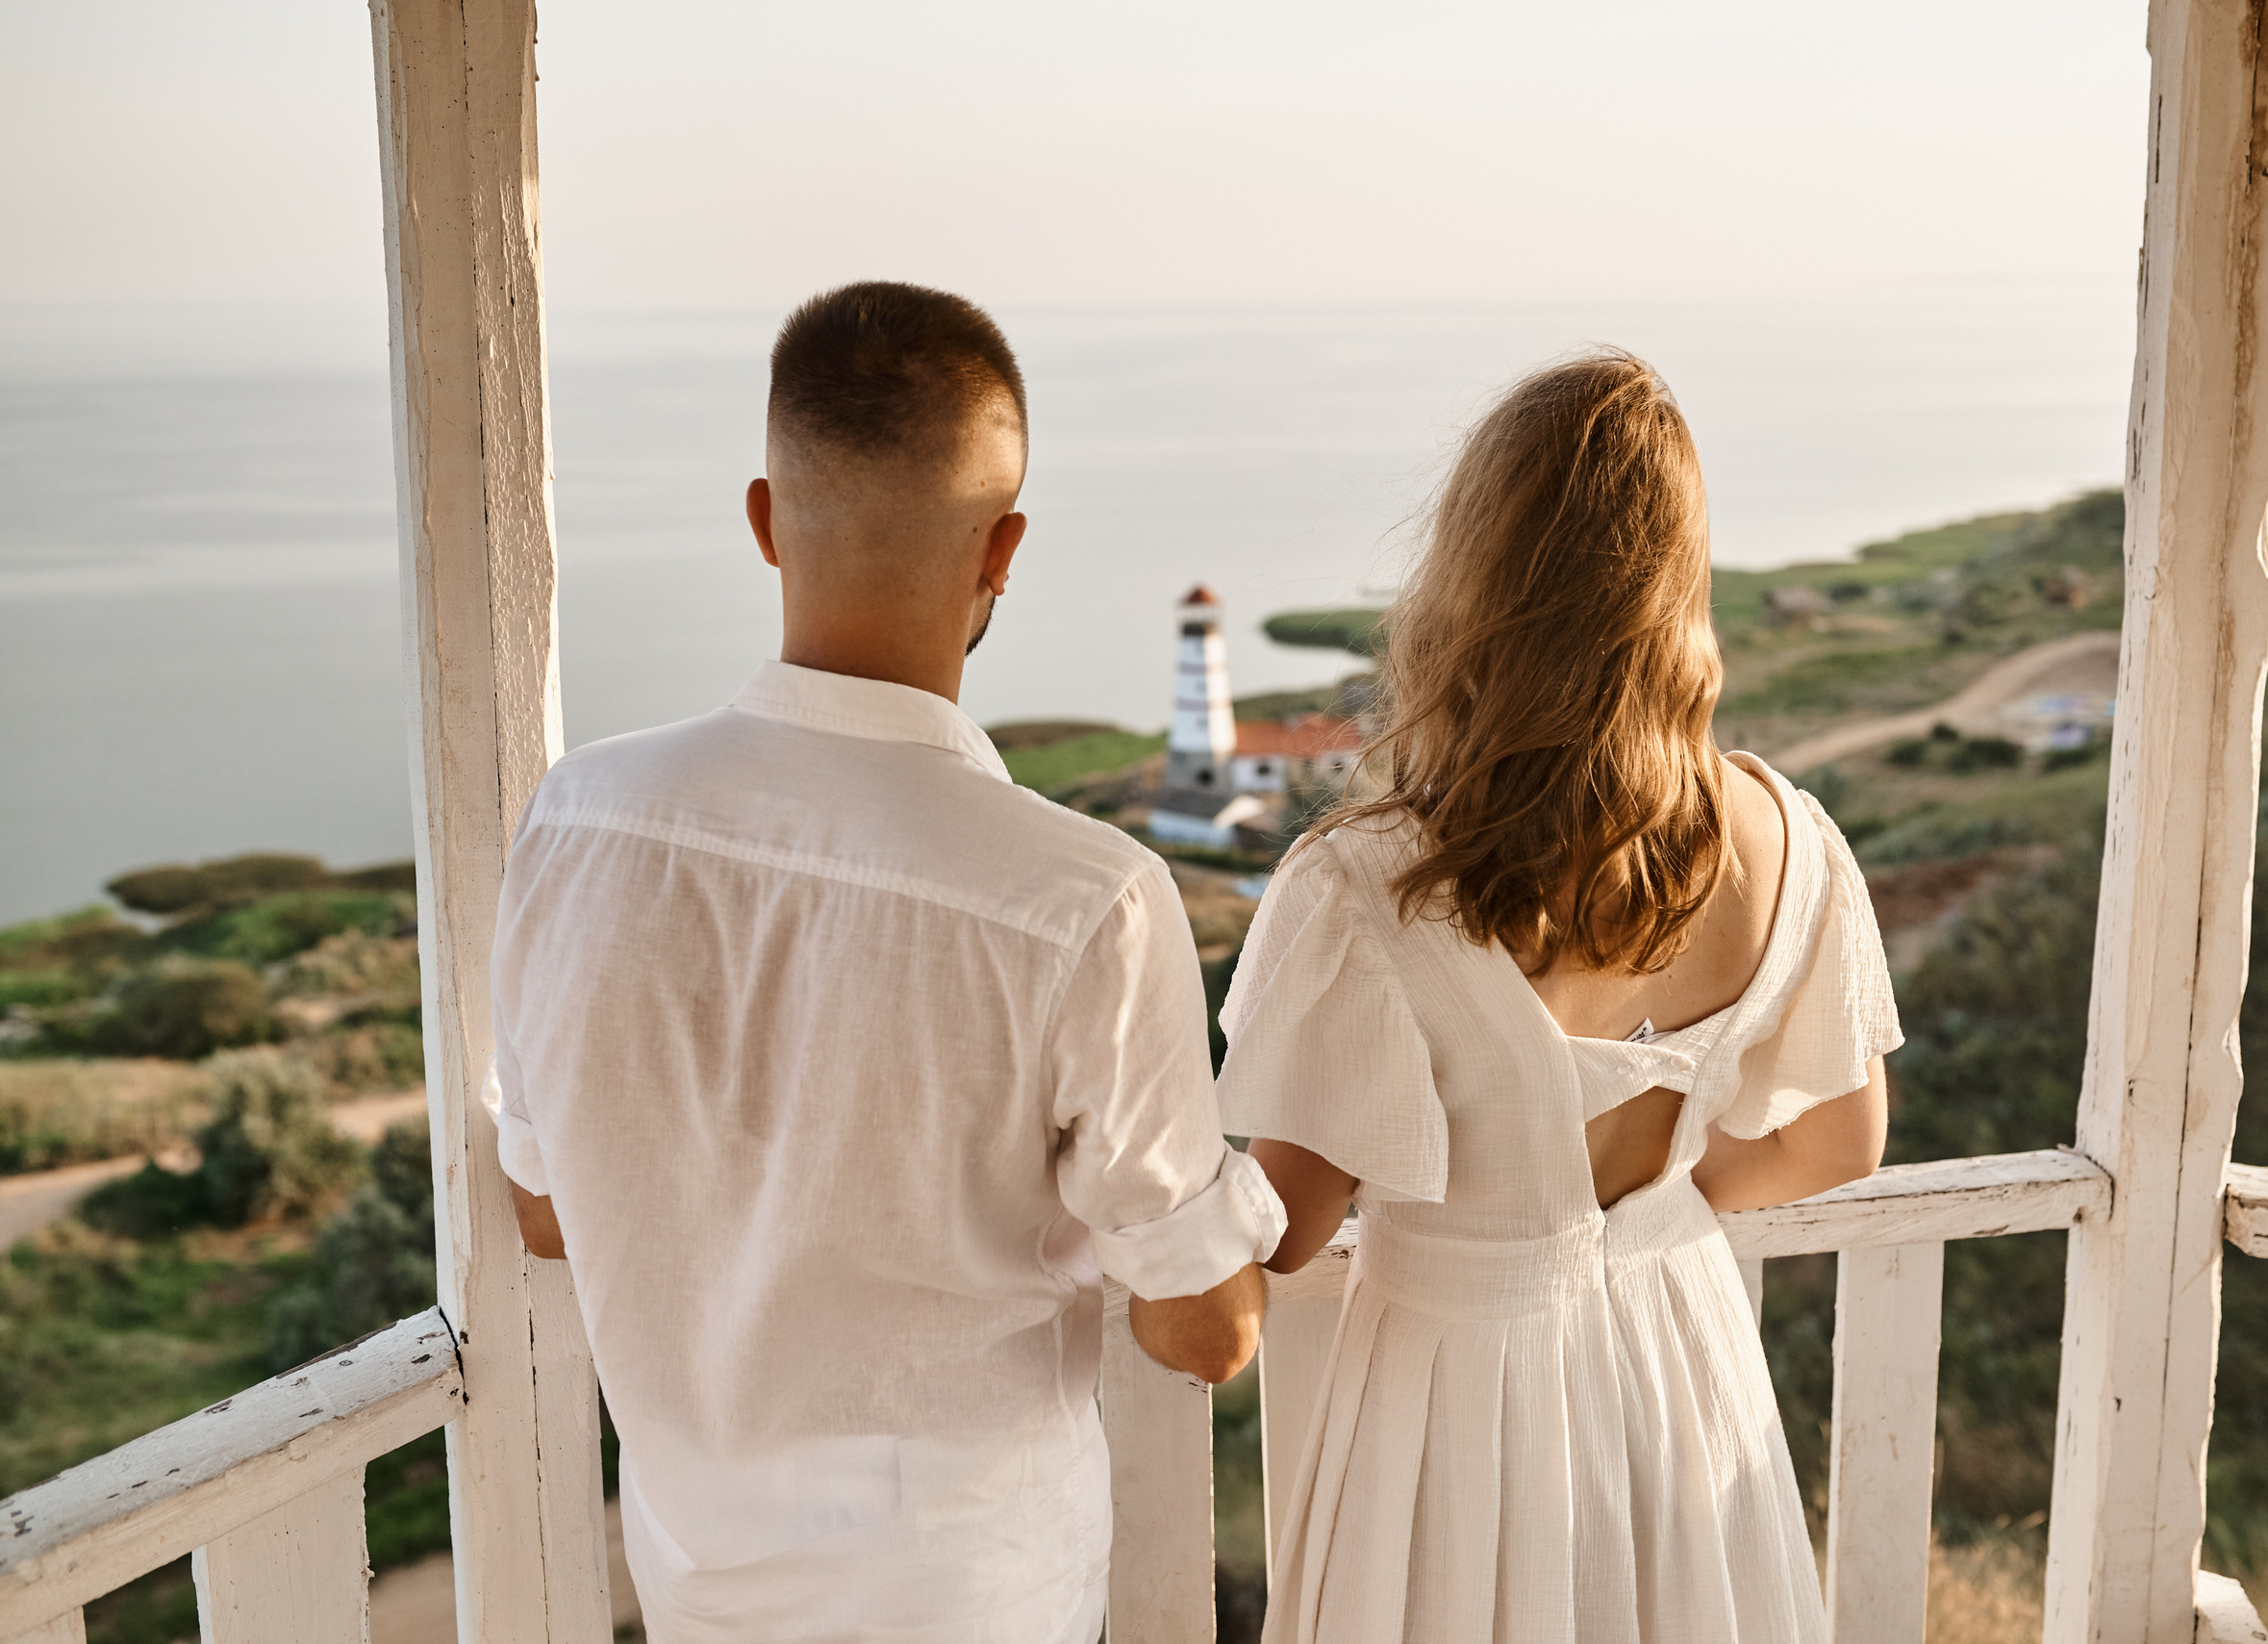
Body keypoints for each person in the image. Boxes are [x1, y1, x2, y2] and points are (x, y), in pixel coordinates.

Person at [485, 281, 1285, 1644]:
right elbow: (1203, 1333)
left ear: (763, 520)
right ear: (1003, 549)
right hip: (976, 1599)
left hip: (699, 1591)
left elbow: (546, 1211)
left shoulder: (575, 823)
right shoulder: (1086, 899)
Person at [1221, 351, 1900, 1643]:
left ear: (1473, 581)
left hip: (1457, 1394)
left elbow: (1289, 1226)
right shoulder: (1784, 839)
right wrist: (1646, 1210)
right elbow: (1837, 1141)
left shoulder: (1367, 883)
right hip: (1683, 1359)